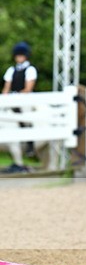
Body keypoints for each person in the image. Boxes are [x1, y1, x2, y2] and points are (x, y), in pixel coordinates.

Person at [1, 41, 37, 173]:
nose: (19, 57)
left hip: (25, 99)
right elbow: (6, 88)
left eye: (21, 55)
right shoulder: (11, 70)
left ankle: (30, 145)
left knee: (26, 117)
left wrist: (16, 96)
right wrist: (5, 99)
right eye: (17, 55)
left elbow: (28, 88)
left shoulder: (30, 70)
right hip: (12, 99)